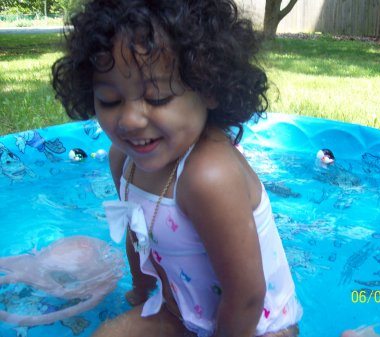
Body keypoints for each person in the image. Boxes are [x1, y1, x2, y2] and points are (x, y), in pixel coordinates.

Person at [52, 0, 302, 336]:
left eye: (156, 98)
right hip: (180, 311)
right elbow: (137, 234)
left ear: (209, 88)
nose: (129, 120)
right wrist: (141, 294)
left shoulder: (209, 178)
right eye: (110, 100)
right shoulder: (123, 160)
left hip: (257, 326)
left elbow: (246, 297)